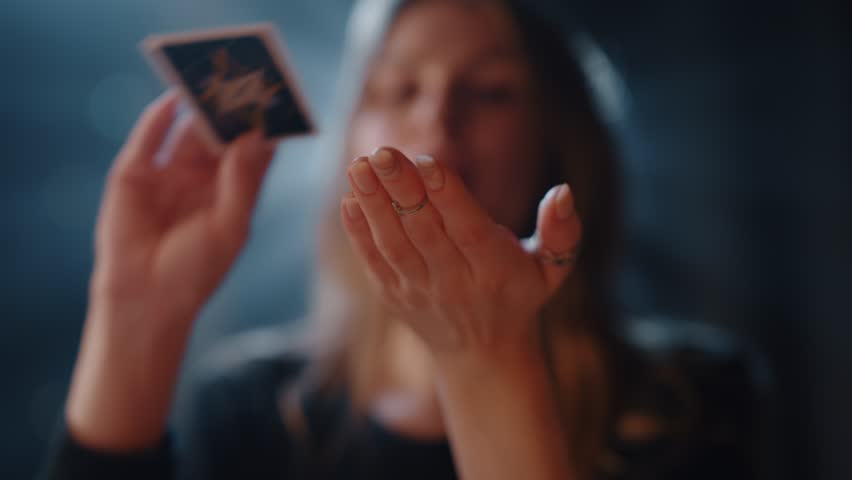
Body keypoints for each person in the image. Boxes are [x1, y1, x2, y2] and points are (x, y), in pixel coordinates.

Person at [41, 0, 757, 479]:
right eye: (398, 89)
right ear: (352, 131)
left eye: (492, 91)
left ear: (559, 140)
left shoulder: (688, 399)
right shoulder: (252, 407)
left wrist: (487, 360)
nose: (437, 125)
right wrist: (137, 310)